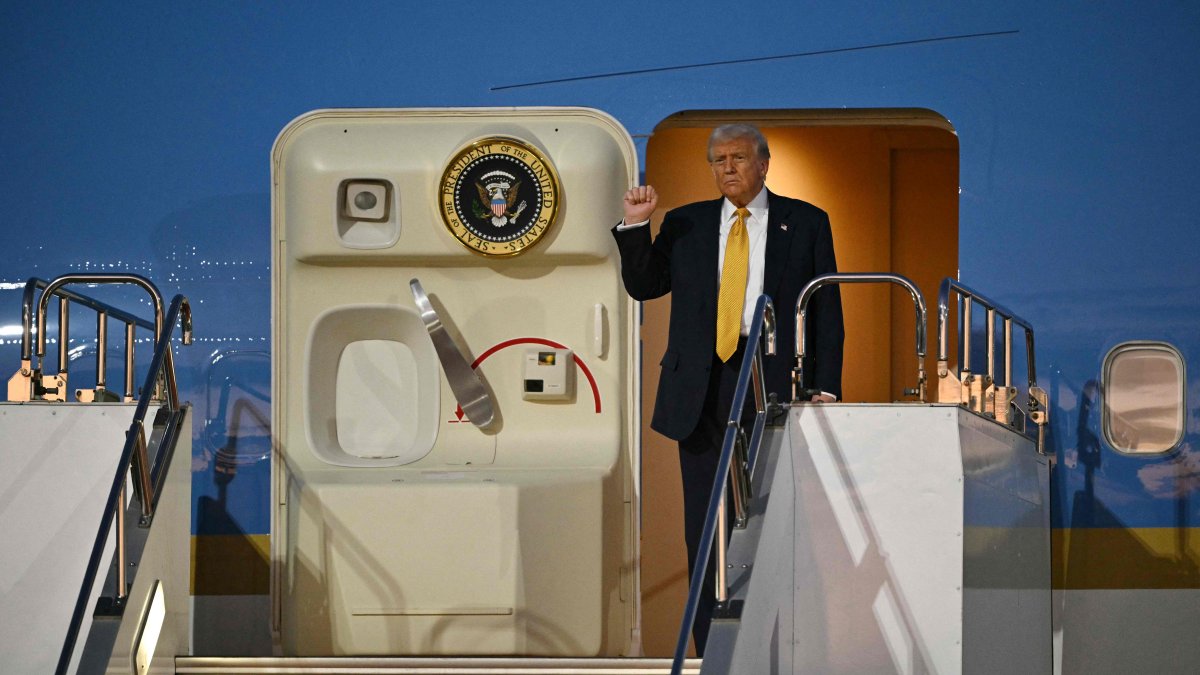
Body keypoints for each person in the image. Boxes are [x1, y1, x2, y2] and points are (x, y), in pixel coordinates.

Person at [612, 123, 844, 654]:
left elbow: (826, 309)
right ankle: (709, 647)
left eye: (737, 157)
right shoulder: (686, 223)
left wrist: (825, 387)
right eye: (717, 160)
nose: (727, 168)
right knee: (706, 519)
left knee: (774, 511)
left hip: (771, 377)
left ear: (764, 163)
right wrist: (634, 227)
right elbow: (645, 285)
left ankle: (779, 640)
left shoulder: (806, 223)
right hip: (701, 387)